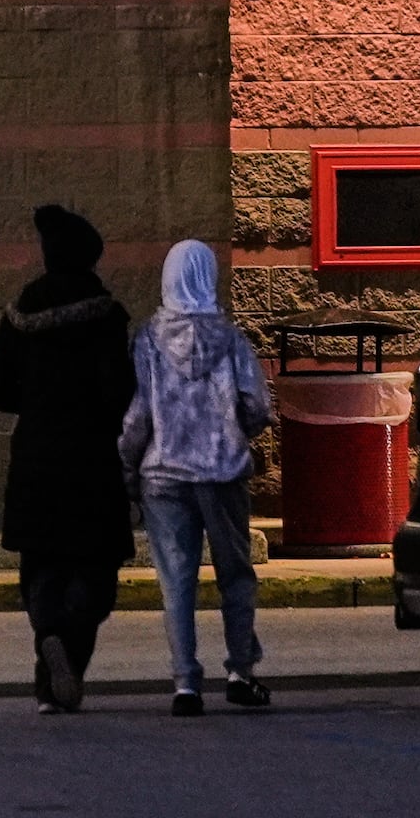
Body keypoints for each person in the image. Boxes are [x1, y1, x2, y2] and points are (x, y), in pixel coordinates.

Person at [0, 204, 134, 714]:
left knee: (42, 568)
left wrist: (38, 402)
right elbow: (120, 392)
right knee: (94, 572)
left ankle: (50, 663)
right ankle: (64, 651)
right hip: (92, 461)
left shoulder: (22, 311)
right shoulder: (105, 314)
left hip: (36, 457)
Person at [119, 239, 271, 717]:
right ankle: (241, 671)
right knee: (236, 574)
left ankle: (185, 683)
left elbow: (136, 417)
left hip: (163, 476)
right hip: (223, 473)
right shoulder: (232, 340)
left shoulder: (145, 341)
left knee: (176, 580)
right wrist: (232, 434)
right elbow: (257, 406)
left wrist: (127, 465)